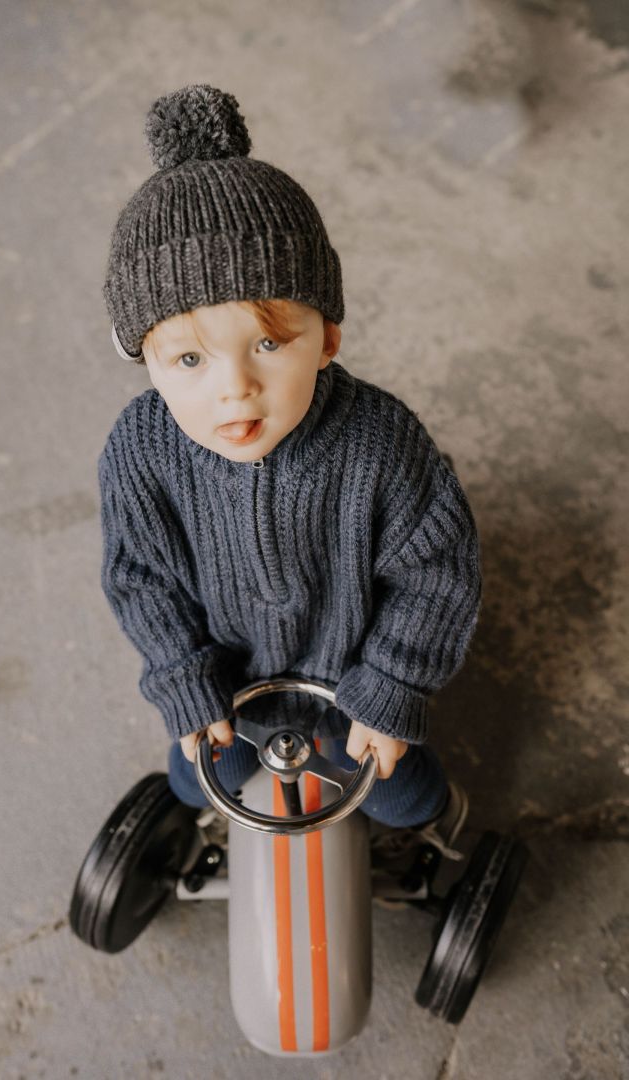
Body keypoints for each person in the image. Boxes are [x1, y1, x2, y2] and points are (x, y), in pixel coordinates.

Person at [98, 84, 482, 863]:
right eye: (191, 359)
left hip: (356, 682)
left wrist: (393, 683)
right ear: (145, 360)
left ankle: (444, 839)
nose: (234, 386)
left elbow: (438, 572)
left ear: (328, 335)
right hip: (228, 685)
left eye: (270, 344)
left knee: (402, 792)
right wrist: (180, 672)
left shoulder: (380, 444)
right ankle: (209, 828)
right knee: (194, 776)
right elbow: (141, 577)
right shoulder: (140, 455)